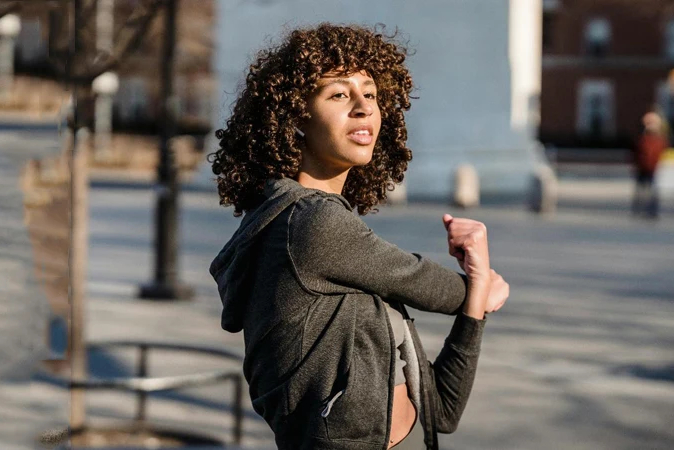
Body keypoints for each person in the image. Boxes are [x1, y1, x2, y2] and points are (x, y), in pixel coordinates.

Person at [207, 23, 510, 450]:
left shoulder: (348, 271)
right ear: (295, 117)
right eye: (338, 95)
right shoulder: (311, 224)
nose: (363, 108)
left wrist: (475, 305)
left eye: (369, 93)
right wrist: (480, 286)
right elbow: (432, 286)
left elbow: (442, 411)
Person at [631, 111, 668, 219]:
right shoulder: (641, 137)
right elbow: (635, 151)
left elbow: (661, 150)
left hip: (653, 167)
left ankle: (652, 211)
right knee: (641, 190)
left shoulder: (659, 138)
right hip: (642, 167)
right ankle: (639, 210)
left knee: (653, 190)